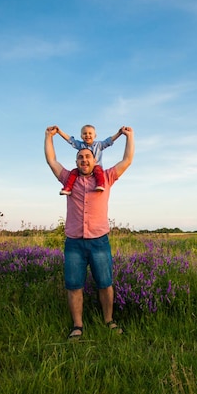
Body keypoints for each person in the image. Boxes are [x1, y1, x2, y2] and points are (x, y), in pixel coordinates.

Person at [44, 124, 134, 340]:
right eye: (81, 158)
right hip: (74, 243)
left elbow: (127, 161)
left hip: (99, 242)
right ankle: (77, 326)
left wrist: (129, 137)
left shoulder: (107, 178)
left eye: (88, 157)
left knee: (105, 283)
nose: (84, 160)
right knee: (74, 286)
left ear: (94, 161)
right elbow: (52, 161)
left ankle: (109, 321)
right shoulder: (68, 179)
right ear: (76, 162)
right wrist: (49, 137)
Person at [53, 125, 124, 195]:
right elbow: (71, 140)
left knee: (98, 170)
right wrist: (59, 132)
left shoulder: (99, 145)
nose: (87, 135)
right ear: (81, 136)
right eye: (85, 133)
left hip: (96, 166)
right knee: (74, 172)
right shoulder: (81, 145)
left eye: (90, 133)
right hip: (84, 168)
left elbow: (109, 141)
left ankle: (100, 184)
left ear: (95, 136)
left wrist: (119, 133)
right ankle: (68, 188)